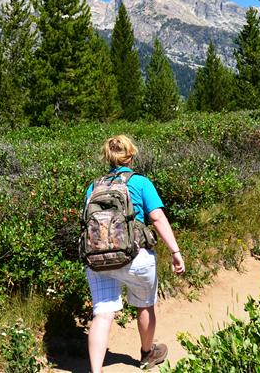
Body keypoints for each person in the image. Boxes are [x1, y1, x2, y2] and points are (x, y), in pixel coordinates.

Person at [83, 135, 184, 372]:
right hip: (135, 256)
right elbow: (157, 218)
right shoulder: (140, 182)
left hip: (98, 259)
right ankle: (147, 354)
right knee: (144, 305)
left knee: (103, 313)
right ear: (131, 155)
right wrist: (175, 251)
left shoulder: (93, 186)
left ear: (107, 158)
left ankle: (95, 371)